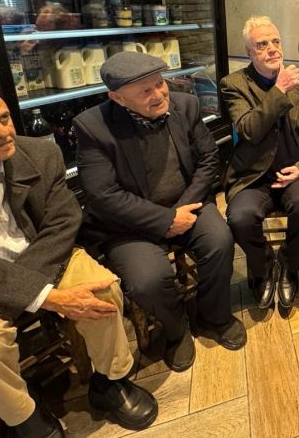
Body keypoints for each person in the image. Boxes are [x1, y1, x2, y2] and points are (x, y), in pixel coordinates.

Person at [0, 86, 158, 438]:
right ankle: (23, 415)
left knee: (102, 294)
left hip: (44, 256)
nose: (2, 132)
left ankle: (110, 381)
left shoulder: (39, 153)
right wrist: (46, 297)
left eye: (3, 117)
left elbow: (63, 223)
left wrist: (28, 293)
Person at [74, 52, 245, 373]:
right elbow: (103, 195)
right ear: (117, 97)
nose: (158, 94)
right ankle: (176, 328)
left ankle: (214, 315)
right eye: (145, 91)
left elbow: (209, 159)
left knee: (220, 241)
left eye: (159, 84)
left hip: (187, 203)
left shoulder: (185, 105)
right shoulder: (93, 127)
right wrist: (165, 220)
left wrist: (181, 210)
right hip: (129, 223)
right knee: (147, 281)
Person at [220, 16, 299, 316]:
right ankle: (264, 265)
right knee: (239, 218)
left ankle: (289, 263)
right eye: (261, 44)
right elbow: (248, 129)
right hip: (254, 176)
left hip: (295, 173)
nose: (272, 49)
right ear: (249, 52)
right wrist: (278, 90)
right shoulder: (233, 84)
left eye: (275, 41)